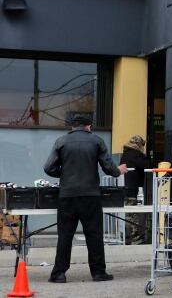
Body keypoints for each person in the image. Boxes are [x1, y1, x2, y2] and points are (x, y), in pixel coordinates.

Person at [43, 115, 128, 283]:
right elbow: (108, 167)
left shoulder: (61, 141)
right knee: (94, 234)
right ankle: (98, 273)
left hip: (67, 195)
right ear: (89, 126)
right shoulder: (97, 141)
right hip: (90, 195)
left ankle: (59, 273)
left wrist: (63, 174)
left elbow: (48, 167)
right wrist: (118, 171)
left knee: (65, 235)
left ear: (73, 126)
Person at [119, 135, 151, 245]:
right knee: (132, 215)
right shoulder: (136, 154)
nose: (143, 147)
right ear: (138, 144)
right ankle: (134, 238)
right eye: (142, 145)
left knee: (128, 213)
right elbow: (147, 165)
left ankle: (126, 236)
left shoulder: (125, 153)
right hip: (132, 189)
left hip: (125, 187)